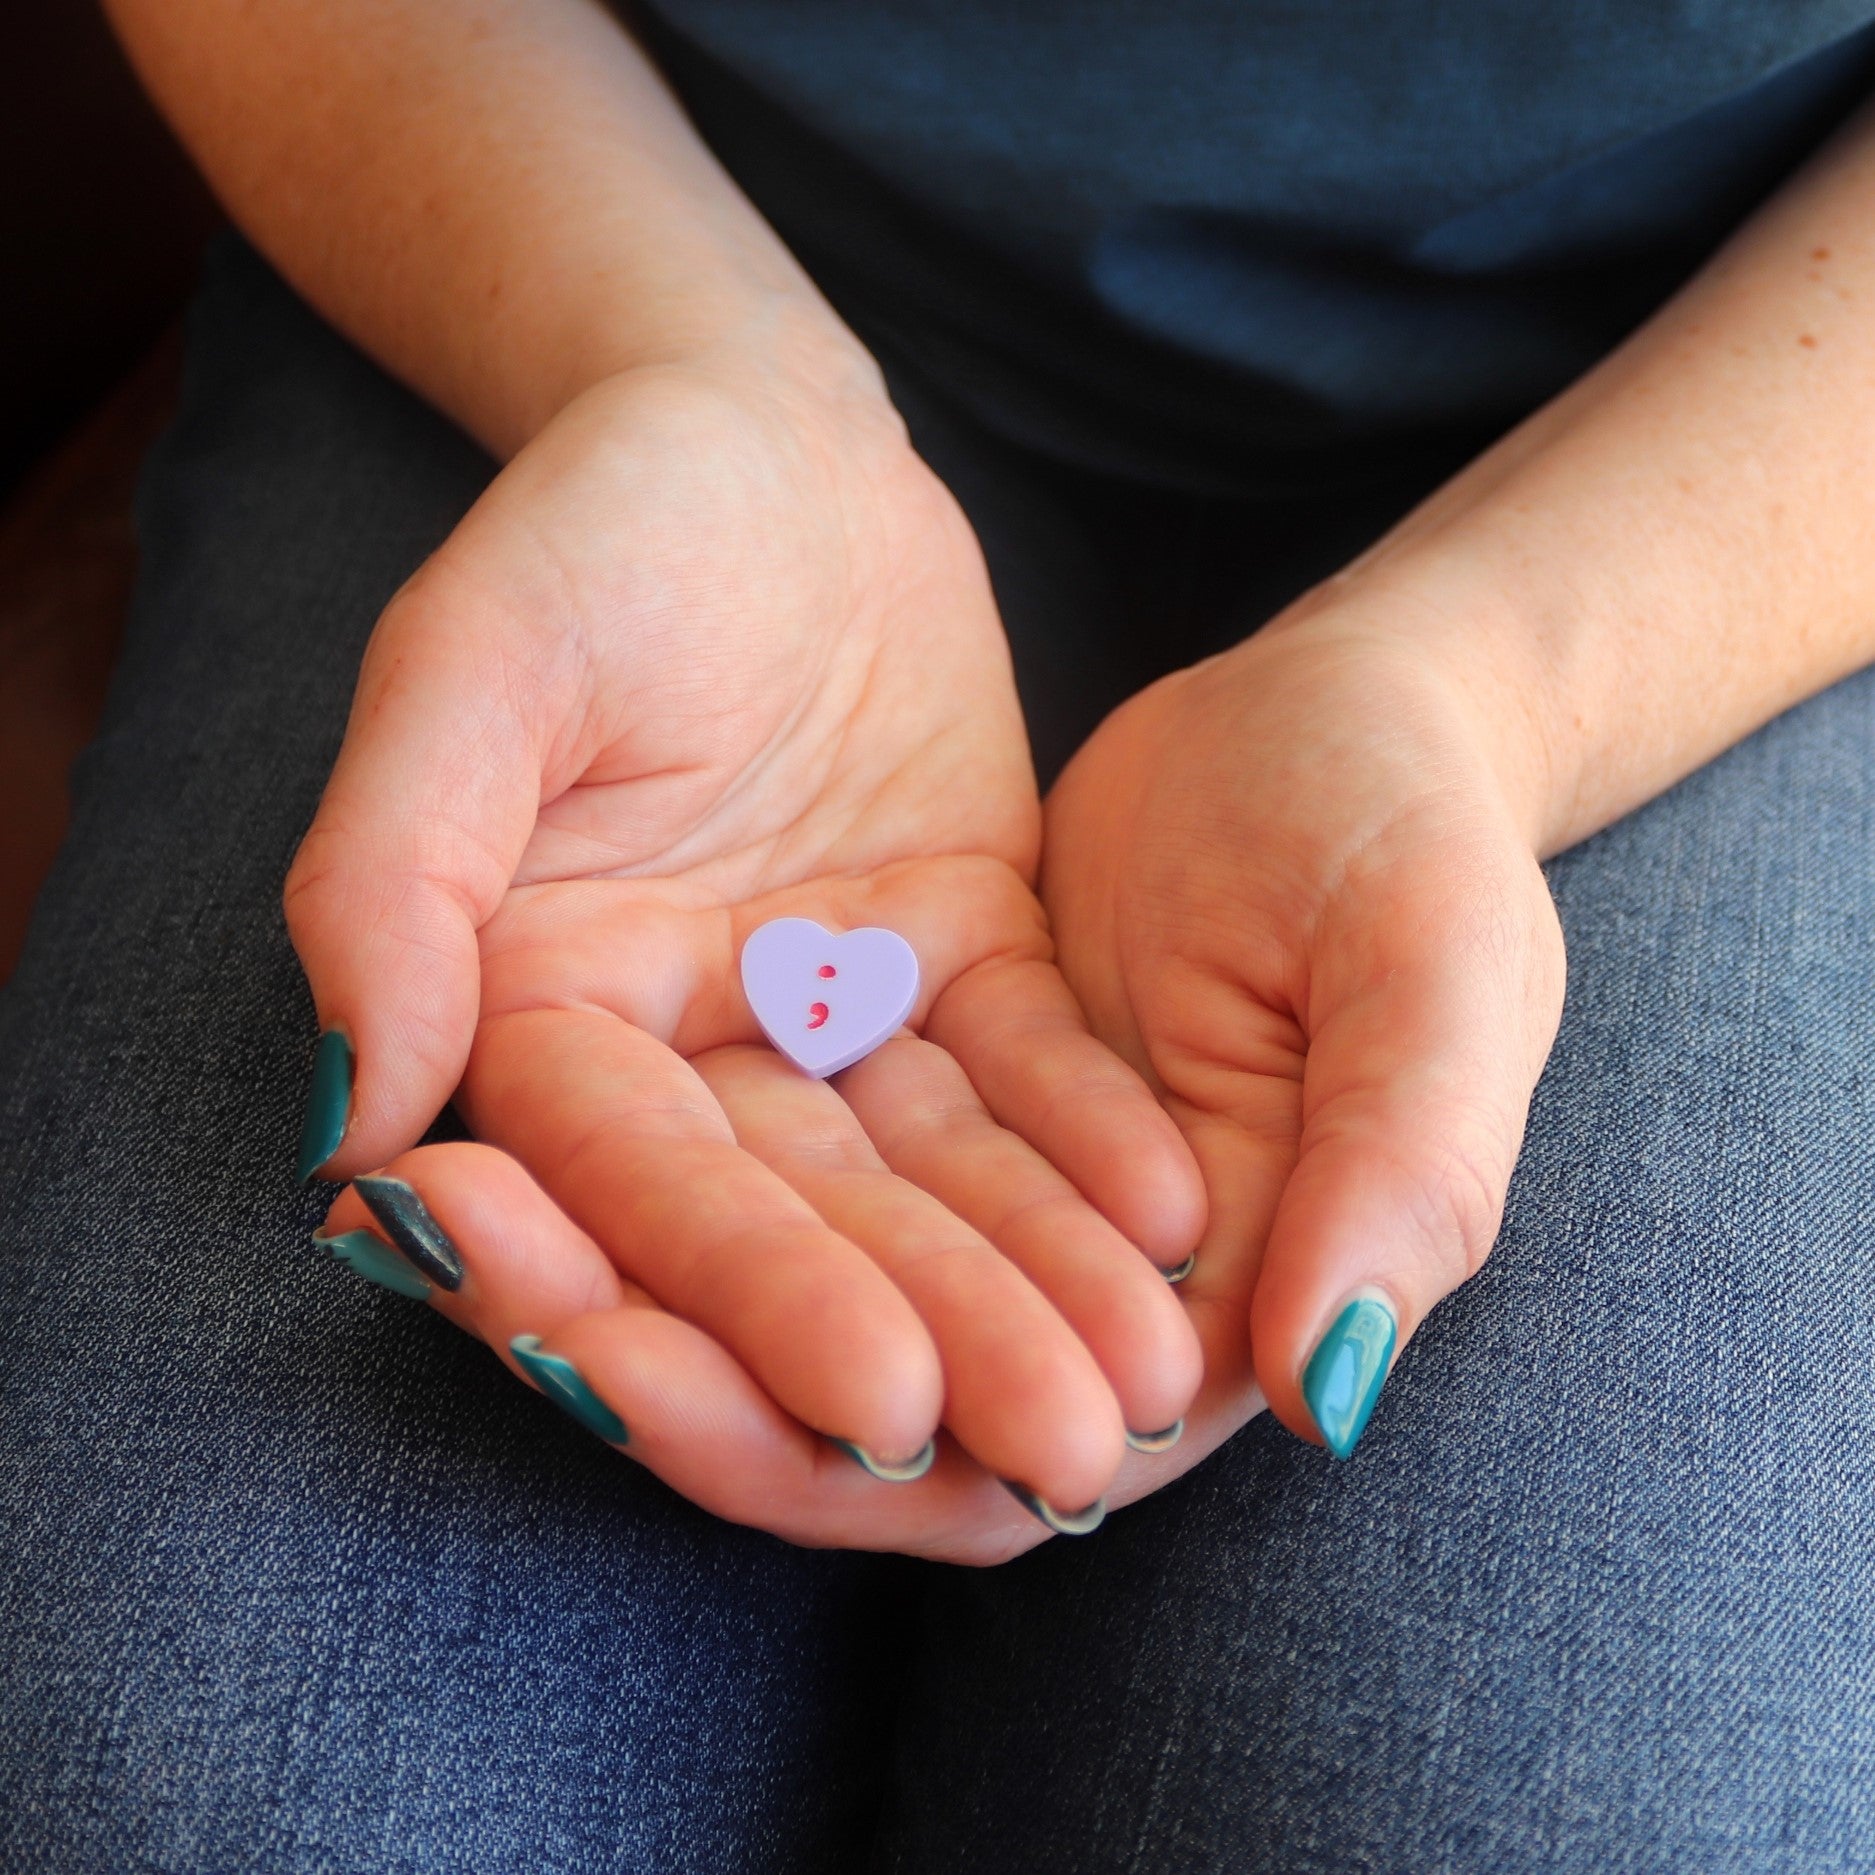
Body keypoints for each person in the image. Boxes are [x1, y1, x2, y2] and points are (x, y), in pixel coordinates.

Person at [5, 1, 1875, 1867]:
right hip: (574, 220)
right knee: (190, 1797)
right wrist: (689, 368)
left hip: (1723, 424)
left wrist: (1475, 691)